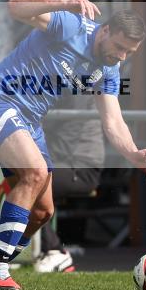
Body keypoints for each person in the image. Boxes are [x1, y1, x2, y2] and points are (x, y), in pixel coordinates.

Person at [0, 0, 146, 290]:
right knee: (35, 172)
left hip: (31, 120)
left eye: (129, 52)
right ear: (104, 30)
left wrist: (133, 153)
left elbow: (113, 121)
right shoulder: (71, 25)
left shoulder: (108, 70)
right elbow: (14, 7)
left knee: (43, 212)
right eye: (119, 47)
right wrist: (63, 4)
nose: (121, 56)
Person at [34, 90, 104, 273]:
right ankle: (30, 250)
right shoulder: (61, 86)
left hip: (80, 168)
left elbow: (62, 144)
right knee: (25, 179)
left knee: (30, 182)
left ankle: (55, 251)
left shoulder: (77, 92)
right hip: (65, 163)